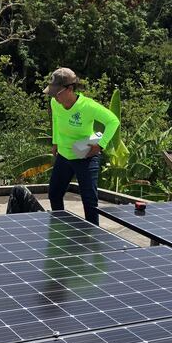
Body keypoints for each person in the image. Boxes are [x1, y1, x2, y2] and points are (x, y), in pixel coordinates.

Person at [44, 68, 120, 226]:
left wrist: (100, 145)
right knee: (54, 194)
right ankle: (60, 226)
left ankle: (92, 235)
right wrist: (55, 142)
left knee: (89, 200)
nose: (54, 97)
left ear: (70, 89)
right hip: (64, 155)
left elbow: (113, 121)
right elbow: (56, 122)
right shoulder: (54, 102)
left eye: (56, 93)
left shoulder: (88, 106)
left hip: (85, 155)